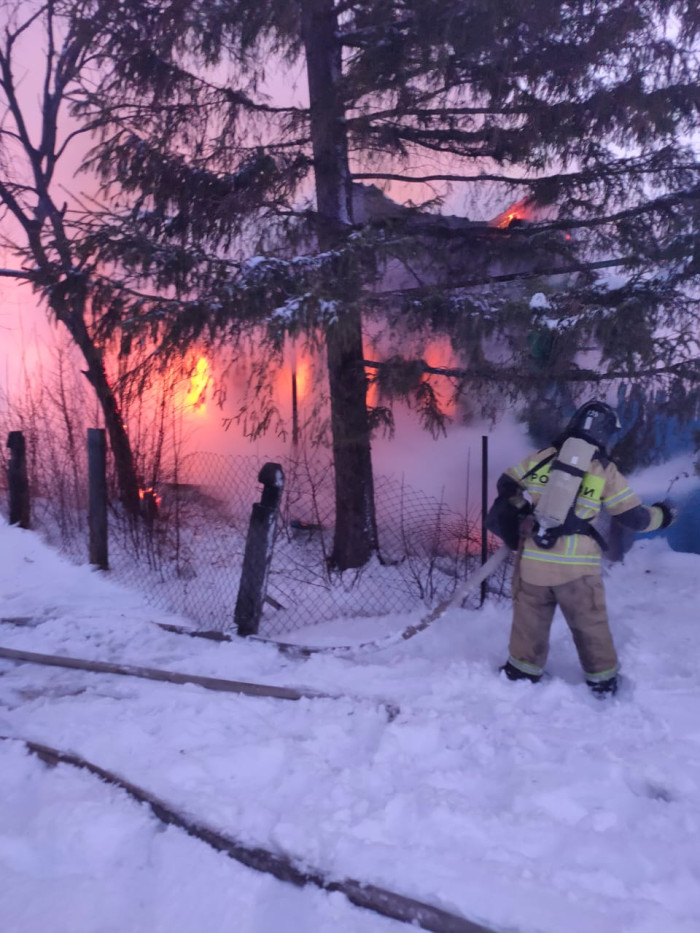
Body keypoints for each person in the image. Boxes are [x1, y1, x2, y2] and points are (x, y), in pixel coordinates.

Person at [488, 400, 675, 697]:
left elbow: (505, 483)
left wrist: (523, 508)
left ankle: (521, 671)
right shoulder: (603, 470)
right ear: (604, 435)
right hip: (577, 570)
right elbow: (634, 518)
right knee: (590, 623)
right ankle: (602, 680)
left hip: (534, 561)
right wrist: (663, 516)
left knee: (529, 621)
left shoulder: (543, 457)